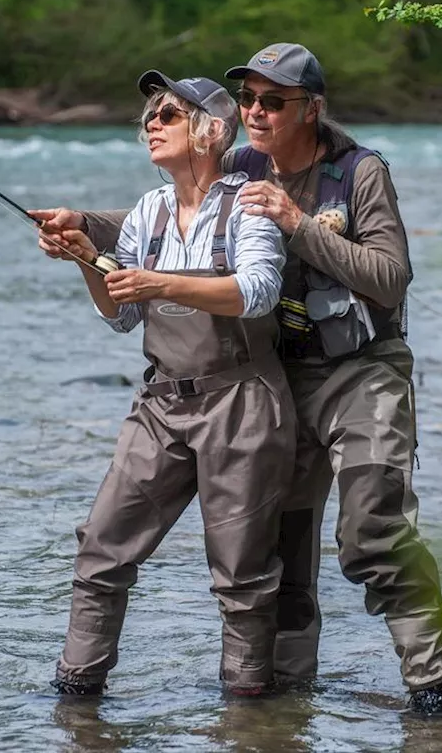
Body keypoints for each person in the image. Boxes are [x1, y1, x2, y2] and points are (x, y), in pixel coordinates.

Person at [33, 44, 442, 713]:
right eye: (248, 99)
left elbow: (390, 277)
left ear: (312, 109)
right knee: (281, 549)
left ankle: (438, 684)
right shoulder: (239, 164)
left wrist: (296, 224)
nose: (257, 111)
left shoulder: (359, 173)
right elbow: (167, 216)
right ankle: (285, 704)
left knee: (372, 531)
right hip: (280, 375)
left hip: (361, 371)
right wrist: (83, 228)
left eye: (274, 101)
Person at [36, 71, 296, 697]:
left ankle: (248, 712)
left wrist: (158, 282)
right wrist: (84, 260)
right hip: (161, 403)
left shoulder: (250, 203)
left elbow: (257, 294)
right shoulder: (148, 211)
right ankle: (76, 697)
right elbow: (122, 316)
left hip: (242, 403)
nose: (151, 123)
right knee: (101, 549)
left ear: (211, 133)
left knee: (241, 576)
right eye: (149, 115)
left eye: (169, 115)